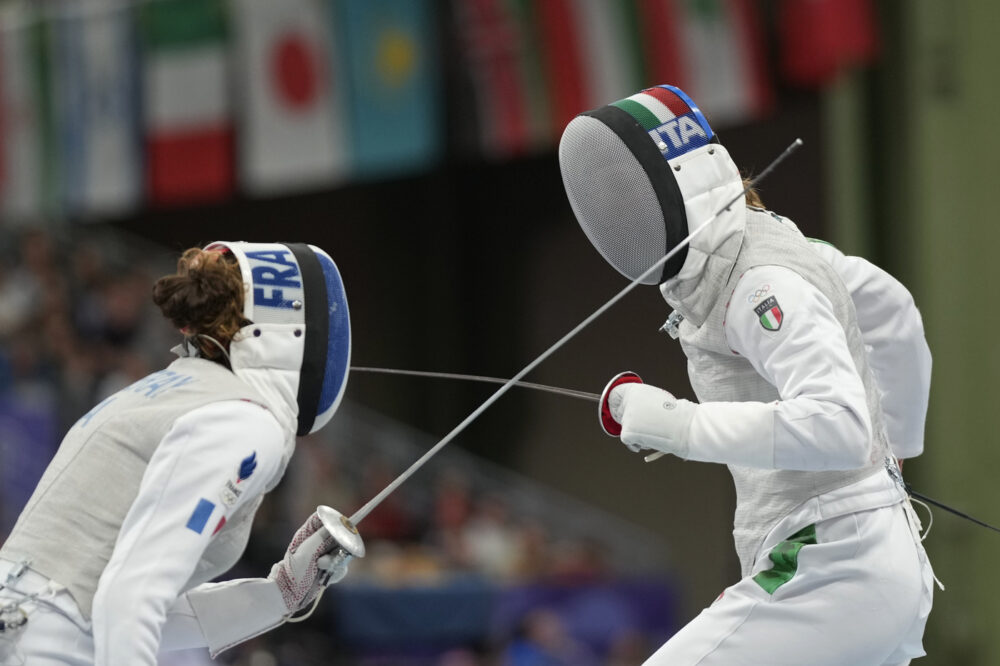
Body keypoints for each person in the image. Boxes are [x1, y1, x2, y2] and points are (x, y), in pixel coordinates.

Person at [558, 84, 936, 665]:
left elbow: (839, 426)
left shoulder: (758, 283)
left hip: (835, 565)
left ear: (671, 190)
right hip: (859, 559)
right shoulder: (774, 246)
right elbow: (892, 309)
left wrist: (677, 425)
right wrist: (898, 455)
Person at [0, 241, 361, 665]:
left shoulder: (164, 392)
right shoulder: (244, 421)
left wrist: (278, 595)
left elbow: (104, 606)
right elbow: (128, 599)